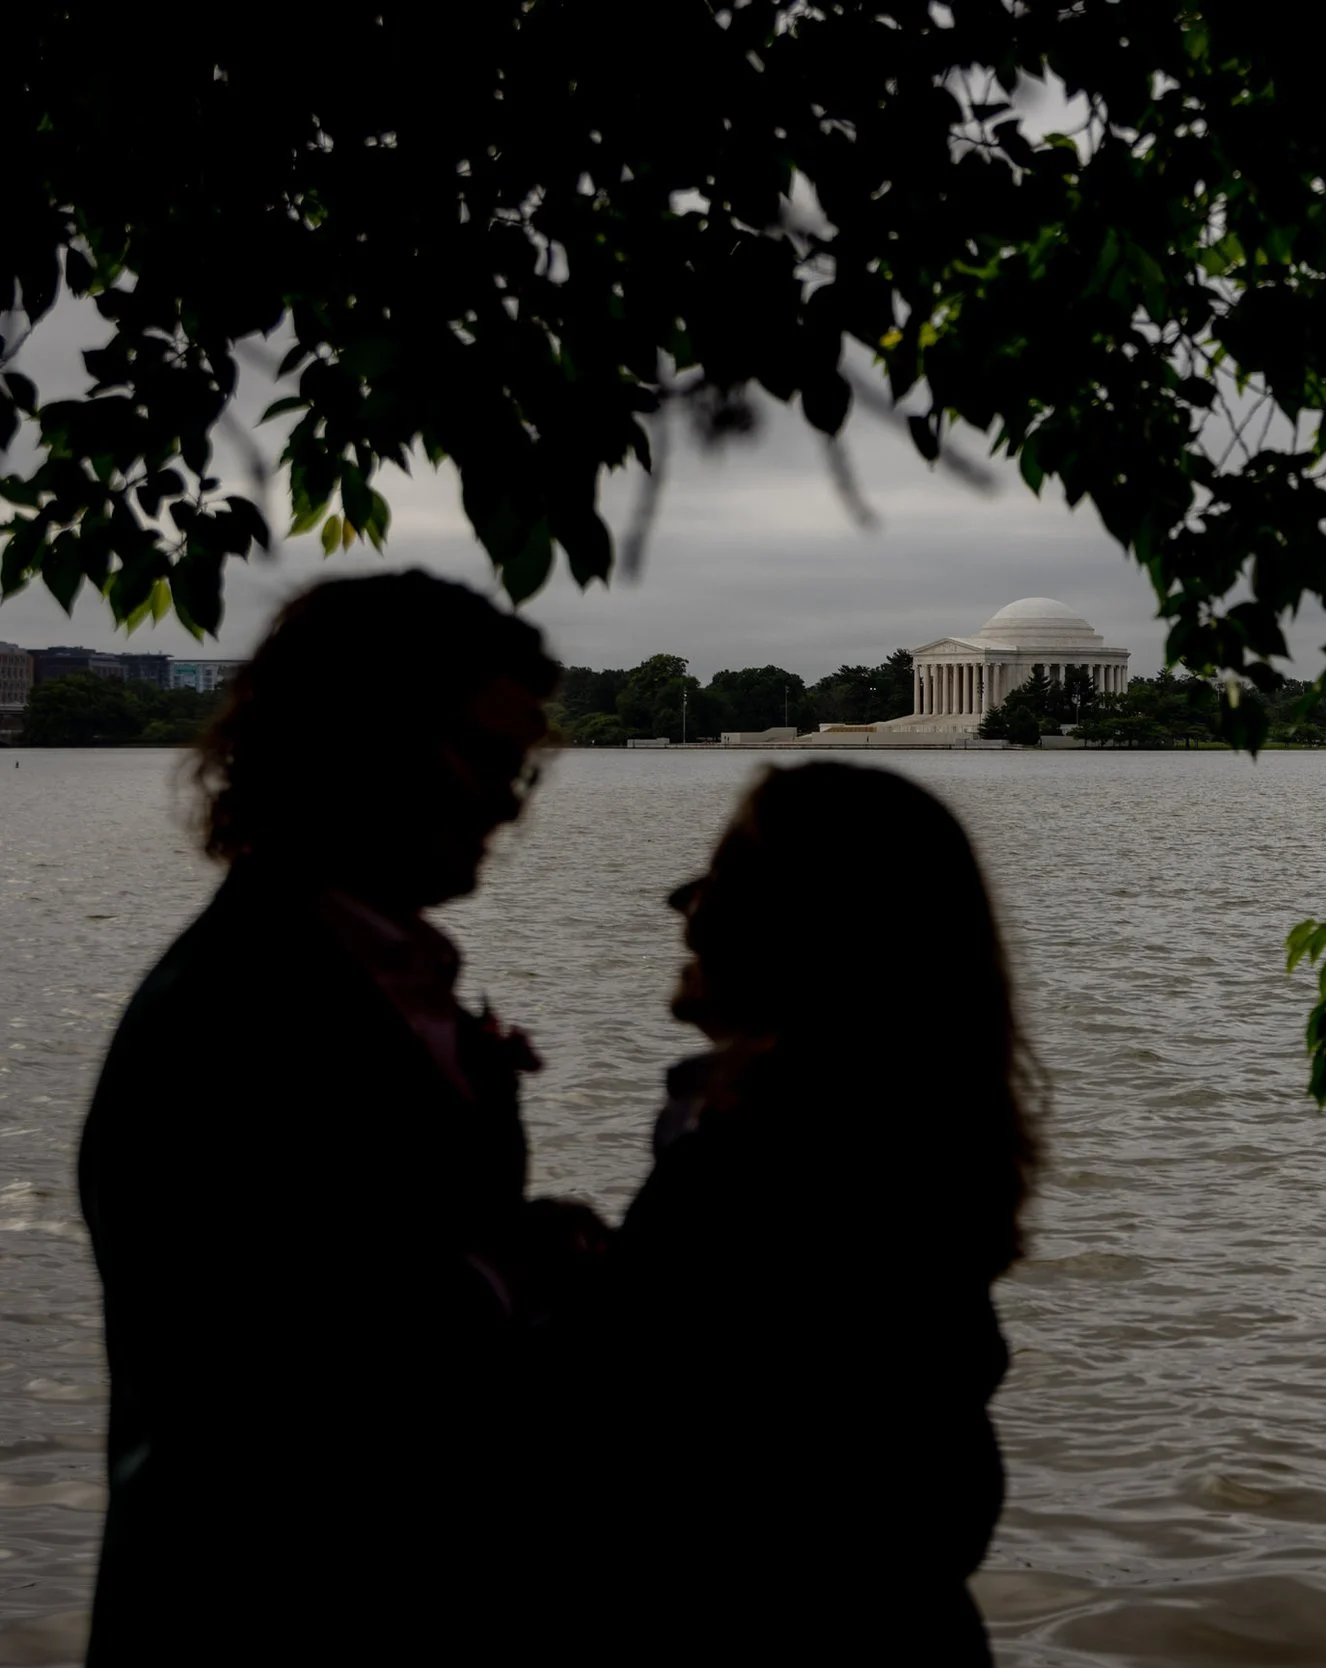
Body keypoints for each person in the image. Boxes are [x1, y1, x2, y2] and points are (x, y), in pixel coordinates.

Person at [78, 572, 587, 1665]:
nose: (508, 805)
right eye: (484, 758)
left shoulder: (365, 968)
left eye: (522, 769)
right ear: (355, 746)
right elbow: (290, 1371)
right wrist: (526, 1277)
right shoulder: (235, 1008)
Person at [576, 762, 1035, 1664]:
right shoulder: (897, 1151)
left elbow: (668, 1450)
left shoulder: (773, 1175)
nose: (682, 907)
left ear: (809, 934)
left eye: (720, 884)